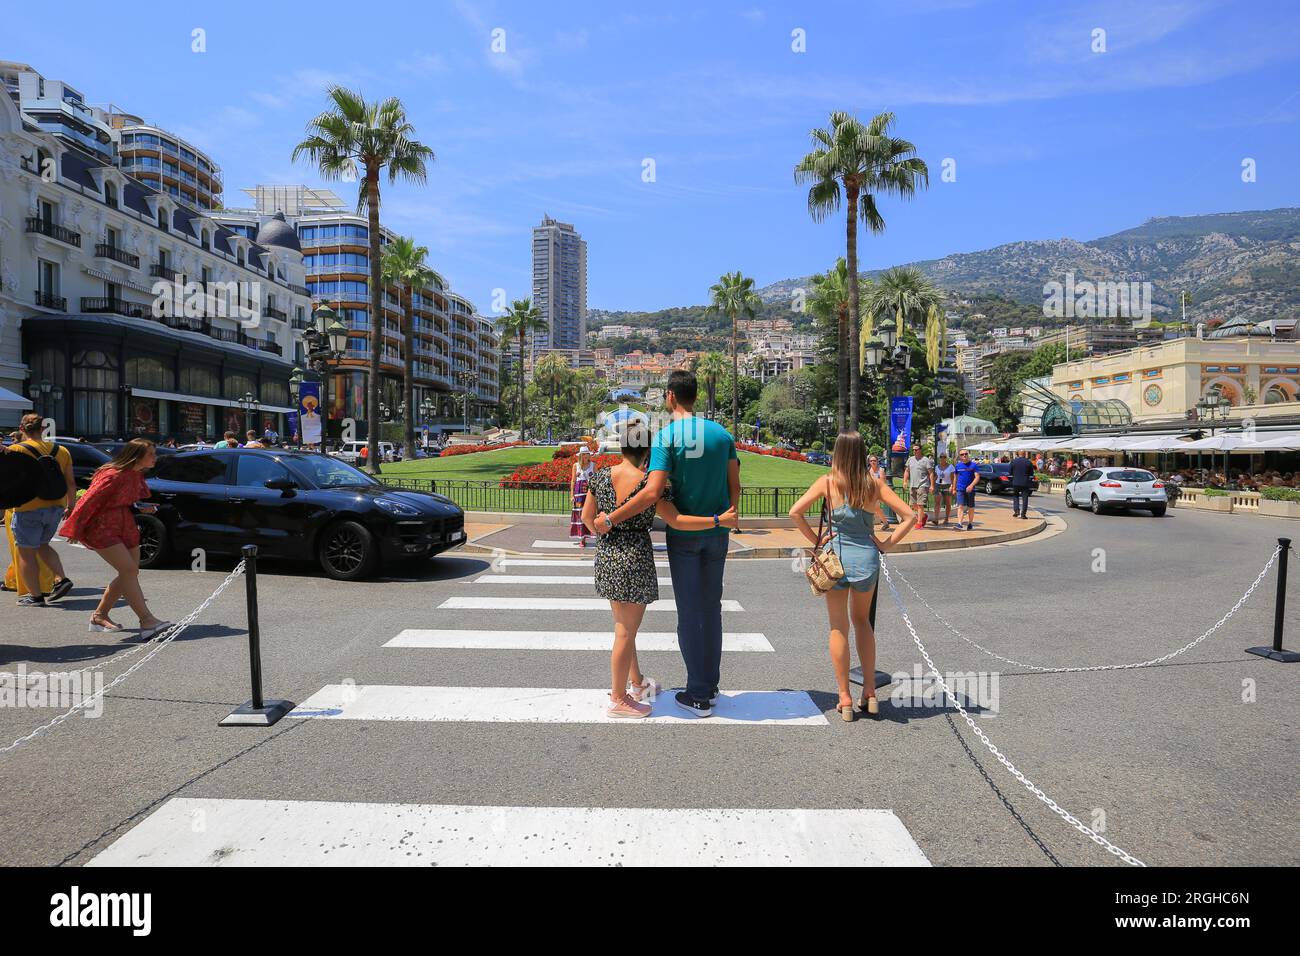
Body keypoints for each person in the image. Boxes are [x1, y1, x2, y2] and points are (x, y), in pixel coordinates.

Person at [595, 369, 740, 718]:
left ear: (671, 397)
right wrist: (730, 515)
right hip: (718, 534)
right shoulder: (722, 435)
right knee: (712, 611)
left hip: (685, 536)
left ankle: (699, 694)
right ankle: (710, 685)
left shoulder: (666, 437)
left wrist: (612, 518)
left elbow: (652, 491)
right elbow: (735, 482)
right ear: (695, 396)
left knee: (690, 614)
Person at [790, 431, 916, 721]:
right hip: (867, 559)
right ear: (861, 454)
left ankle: (844, 696)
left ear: (837, 452)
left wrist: (817, 542)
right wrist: (886, 544)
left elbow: (795, 512)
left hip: (836, 559)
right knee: (863, 623)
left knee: (838, 628)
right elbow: (909, 516)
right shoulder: (874, 484)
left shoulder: (828, 482)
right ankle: (870, 691)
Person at [59, 439, 169, 638]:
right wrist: (75, 529)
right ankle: (147, 620)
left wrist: (139, 507)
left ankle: (99, 616)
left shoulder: (135, 474)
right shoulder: (113, 475)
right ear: (137, 456)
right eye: (151, 454)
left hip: (124, 524)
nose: (155, 457)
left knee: (130, 572)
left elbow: (125, 499)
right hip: (102, 527)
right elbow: (88, 501)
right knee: (128, 570)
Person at [6, 413, 76, 606]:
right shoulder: (61, 450)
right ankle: (61, 578)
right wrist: (71, 505)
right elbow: (70, 482)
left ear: (22, 429)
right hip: (56, 506)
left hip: (28, 507)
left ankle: (35, 596)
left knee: (26, 553)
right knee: (43, 545)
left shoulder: (16, 449)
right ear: (43, 429)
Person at [569, 446, 597, 547]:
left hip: (589, 492)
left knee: (590, 513)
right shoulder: (576, 466)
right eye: (584, 454)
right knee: (580, 515)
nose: (586, 456)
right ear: (581, 456)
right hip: (579, 493)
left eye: (587, 454)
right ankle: (582, 538)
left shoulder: (593, 465)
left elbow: (596, 479)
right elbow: (573, 481)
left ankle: (594, 535)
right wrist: (572, 495)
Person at [904, 443, 934, 529]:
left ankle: (919, 522)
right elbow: (907, 471)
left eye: (916, 449)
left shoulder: (926, 460)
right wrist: (905, 481)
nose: (914, 451)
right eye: (913, 450)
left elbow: (931, 473)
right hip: (912, 485)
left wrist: (932, 485)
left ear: (920, 450)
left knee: (920, 504)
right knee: (913, 505)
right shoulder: (910, 459)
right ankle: (924, 516)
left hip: (923, 485)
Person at [954, 448, 980, 531]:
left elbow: (977, 477)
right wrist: (953, 487)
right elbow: (955, 477)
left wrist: (971, 485)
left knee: (970, 507)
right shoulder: (958, 466)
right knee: (960, 506)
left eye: (965, 454)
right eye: (962, 454)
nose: (964, 455)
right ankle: (959, 524)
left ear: (968, 455)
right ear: (960, 456)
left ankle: (970, 523)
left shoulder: (973, 465)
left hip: (970, 490)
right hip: (960, 489)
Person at [867, 453, 892, 530]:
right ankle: (885, 523)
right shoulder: (869, 470)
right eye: (871, 461)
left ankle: (869, 525)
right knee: (876, 509)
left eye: (874, 460)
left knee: (872, 508)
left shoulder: (881, 470)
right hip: (870, 492)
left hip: (878, 492)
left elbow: (882, 482)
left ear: (877, 461)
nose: (873, 462)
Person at [933, 452, 957, 526]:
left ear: (946, 458)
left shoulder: (950, 467)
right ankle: (936, 519)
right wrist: (932, 485)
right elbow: (936, 476)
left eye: (944, 457)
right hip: (938, 485)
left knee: (947, 503)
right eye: (941, 457)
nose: (942, 458)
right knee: (937, 502)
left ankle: (946, 519)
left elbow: (953, 478)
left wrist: (953, 486)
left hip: (947, 485)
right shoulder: (937, 467)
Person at [1010, 450, 1034, 518]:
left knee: (1015, 496)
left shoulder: (1013, 461)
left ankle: (1016, 511)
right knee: (1025, 498)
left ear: (1018, 454)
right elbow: (1031, 473)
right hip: (1025, 482)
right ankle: (1023, 514)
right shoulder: (1028, 462)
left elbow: (1010, 472)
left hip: (1016, 482)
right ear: (1025, 454)